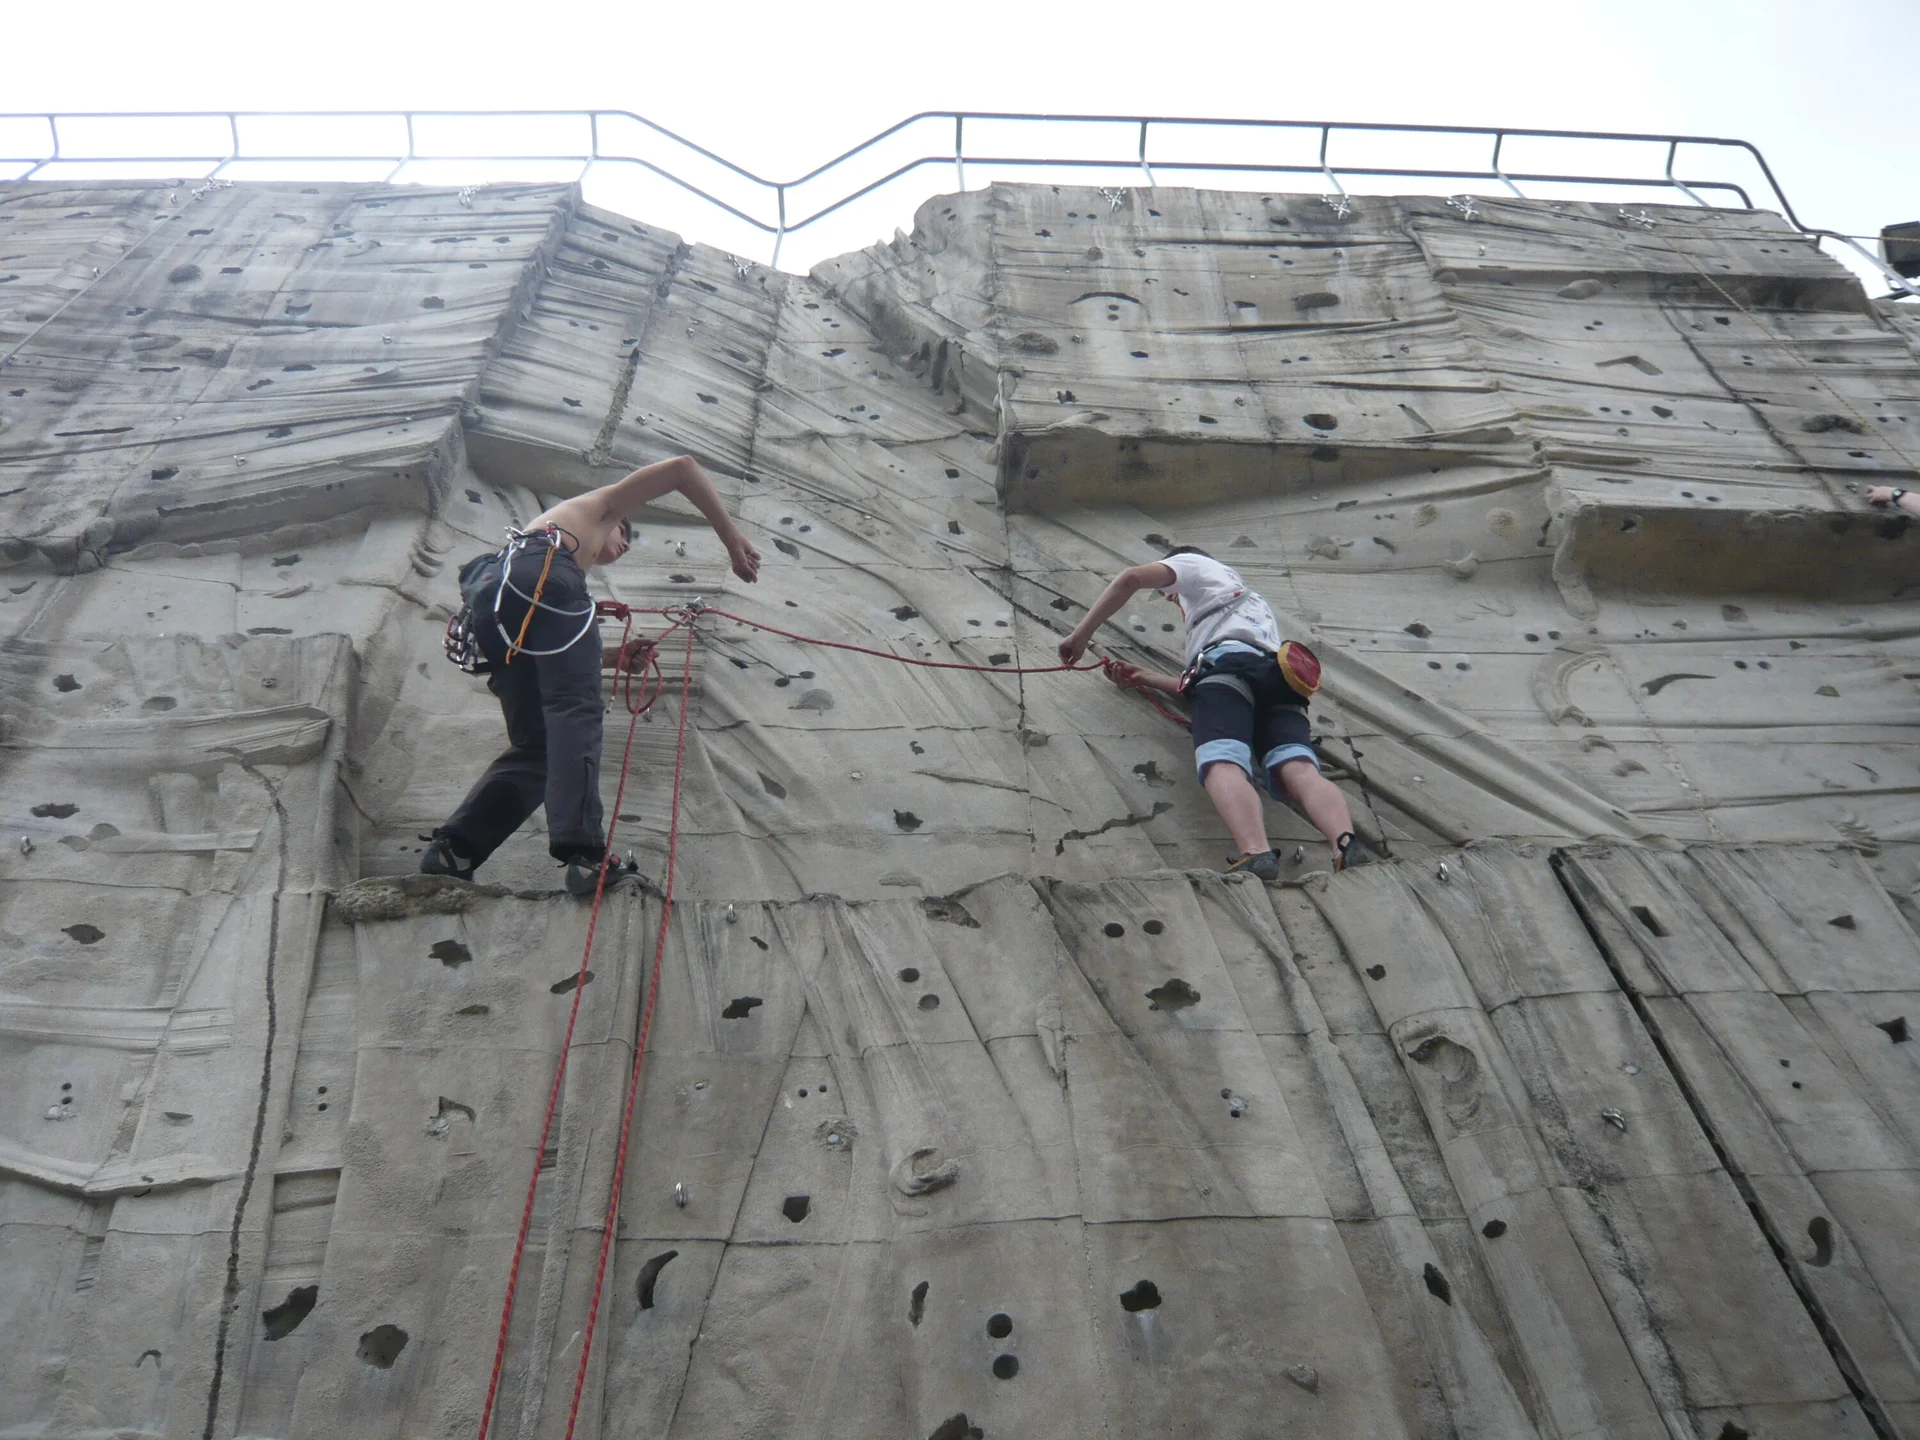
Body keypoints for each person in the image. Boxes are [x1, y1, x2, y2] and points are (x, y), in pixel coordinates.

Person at [421, 455, 760, 894]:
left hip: (494, 607)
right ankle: (586, 856)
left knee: (538, 747)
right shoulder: (603, 508)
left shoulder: (539, 553)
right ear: (616, 522)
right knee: (577, 713)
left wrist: (614, 657)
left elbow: (548, 651)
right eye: (625, 535)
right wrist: (733, 541)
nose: (624, 545)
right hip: (542, 575)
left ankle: (456, 848)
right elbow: (682, 469)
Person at [1057, 546, 1375, 879]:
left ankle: (1256, 852)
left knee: (1221, 761)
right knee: (1298, 768)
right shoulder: (1250, 602)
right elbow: (1215, 676)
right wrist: (1145, 678)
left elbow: (1131, 578)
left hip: (1228, 673)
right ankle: (1345, 847)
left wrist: (1080, 636)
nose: (1170, 598)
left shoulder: (1193, 565)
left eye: (1168, 593)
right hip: (1279, 680)